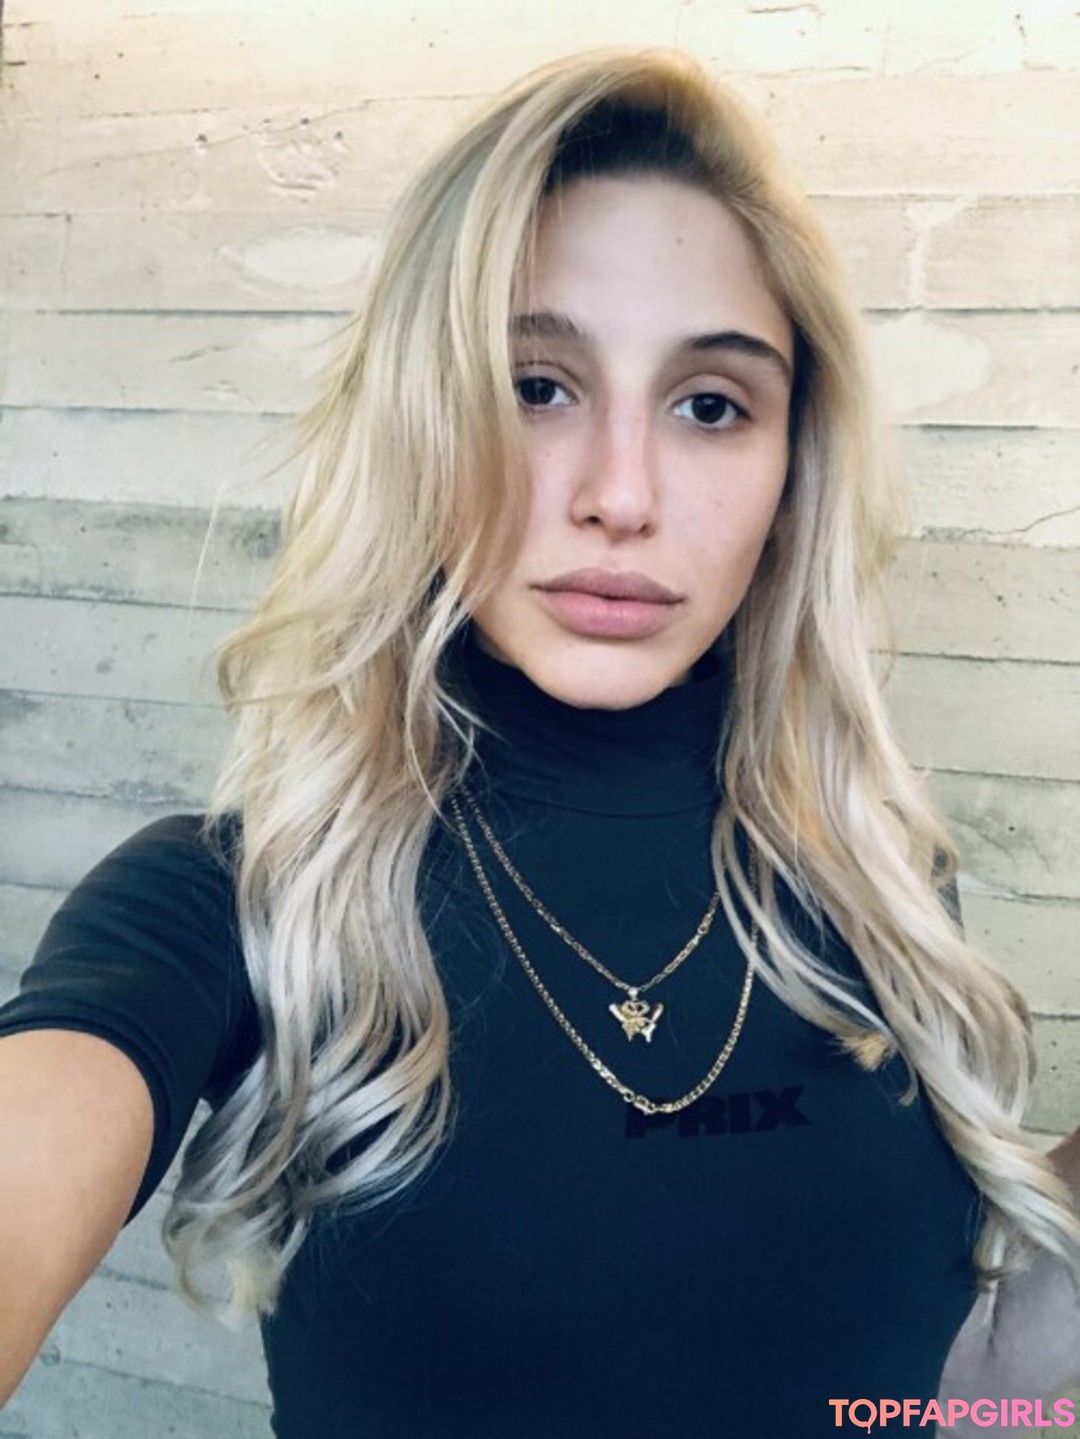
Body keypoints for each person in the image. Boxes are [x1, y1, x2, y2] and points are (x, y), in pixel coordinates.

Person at [1, 48, 1077, 1439]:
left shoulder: (885, 884)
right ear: (419, 424)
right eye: (535, 385)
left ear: (791, 468)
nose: (622, 496)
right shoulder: (238, 910)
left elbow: (932, 1393)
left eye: (711, 405)